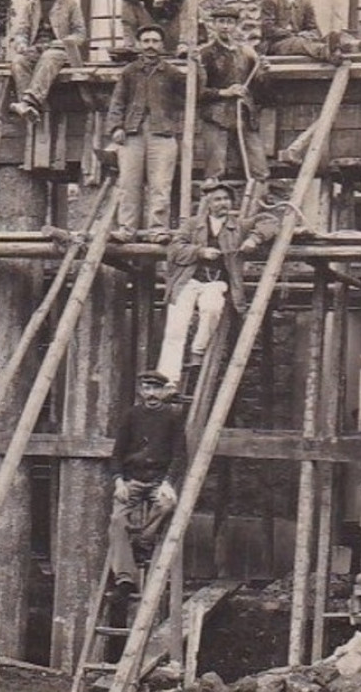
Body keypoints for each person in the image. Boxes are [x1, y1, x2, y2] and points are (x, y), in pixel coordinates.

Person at [156, 180, 280, 383]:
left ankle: (197, 352)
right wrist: (200, 251)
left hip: (216, 283)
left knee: (212, 308)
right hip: (188, 281)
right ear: (208, 203)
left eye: (226, 199)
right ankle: (169, 379)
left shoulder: (238, 226)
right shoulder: (192, 224)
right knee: (175, 328)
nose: (223, 203)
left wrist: (254, 239)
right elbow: (174, 249)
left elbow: (271, 221)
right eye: (218, 200)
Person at [107, 371, 188, 596]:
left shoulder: (173, 418)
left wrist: (168, 483)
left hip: (157, 480)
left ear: (163, 392)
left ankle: (142, 541)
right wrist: (119, 481)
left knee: (167, 505)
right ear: (141, 392)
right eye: (146, 389)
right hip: (132, 479)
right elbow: (117, 454)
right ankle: (125, 578)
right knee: (117, 520)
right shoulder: (131, 416)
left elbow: (180, 455)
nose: (151, 394)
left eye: (155, 389)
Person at [104, 24, 186, 240]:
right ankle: (126, 229)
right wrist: (116, 127)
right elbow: (117, 101)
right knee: (128, 183)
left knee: (160, 185)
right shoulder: (130, 72)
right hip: (133, 133)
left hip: (162, 133)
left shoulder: (171, 73)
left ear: (162, 45)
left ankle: (157, 229)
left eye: (155, 41)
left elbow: (194, 92)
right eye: (146, 41)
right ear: (140, 45)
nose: (151, 46)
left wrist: (198, 65)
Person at [196, 4, 270, 194]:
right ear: (214, 25)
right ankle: (211, 211)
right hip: (215, 115)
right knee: (215, 170)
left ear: (236, 25)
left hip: (243, 115)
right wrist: (224, 92)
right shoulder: (205, 54)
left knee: (259, 168)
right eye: (221, 22)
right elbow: (198, 92)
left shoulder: (246, 53)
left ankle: (256, 209)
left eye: (229, 22)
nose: (225, 27)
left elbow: (260, 89)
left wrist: (263, 71)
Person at [9, 0, 89, 126]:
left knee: (49, 56)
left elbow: (80, 34)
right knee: (18, 61)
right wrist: (21, 42)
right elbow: (22, 29)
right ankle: (26, 106)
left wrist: (63, 42)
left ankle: (29, 101)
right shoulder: (31, 5)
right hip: (35, 49)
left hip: (60, 50)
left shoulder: (70, 4)